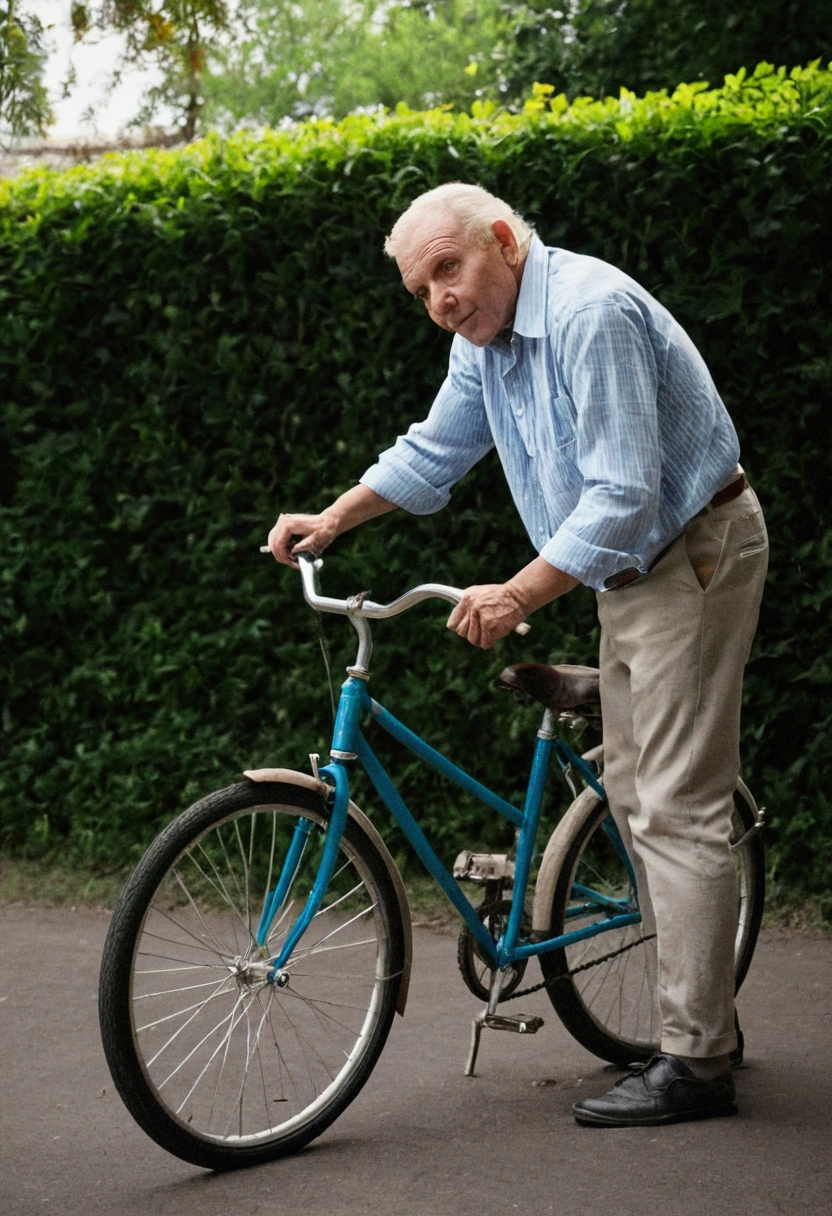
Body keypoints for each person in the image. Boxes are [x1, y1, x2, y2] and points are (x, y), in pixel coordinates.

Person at [267, 182, 769, 1127]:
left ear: (503, 240)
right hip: (630, 569)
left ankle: (698, 1062)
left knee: (673, 804)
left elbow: (623, 493)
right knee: (633, 795)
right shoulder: (481, 345)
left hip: (692, 550)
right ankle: (700, 1017)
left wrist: (517, 593)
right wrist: (332, 520)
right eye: (422, 289)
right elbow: (433, 453)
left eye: (448, 270)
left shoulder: (589, 314)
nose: (440, 301)